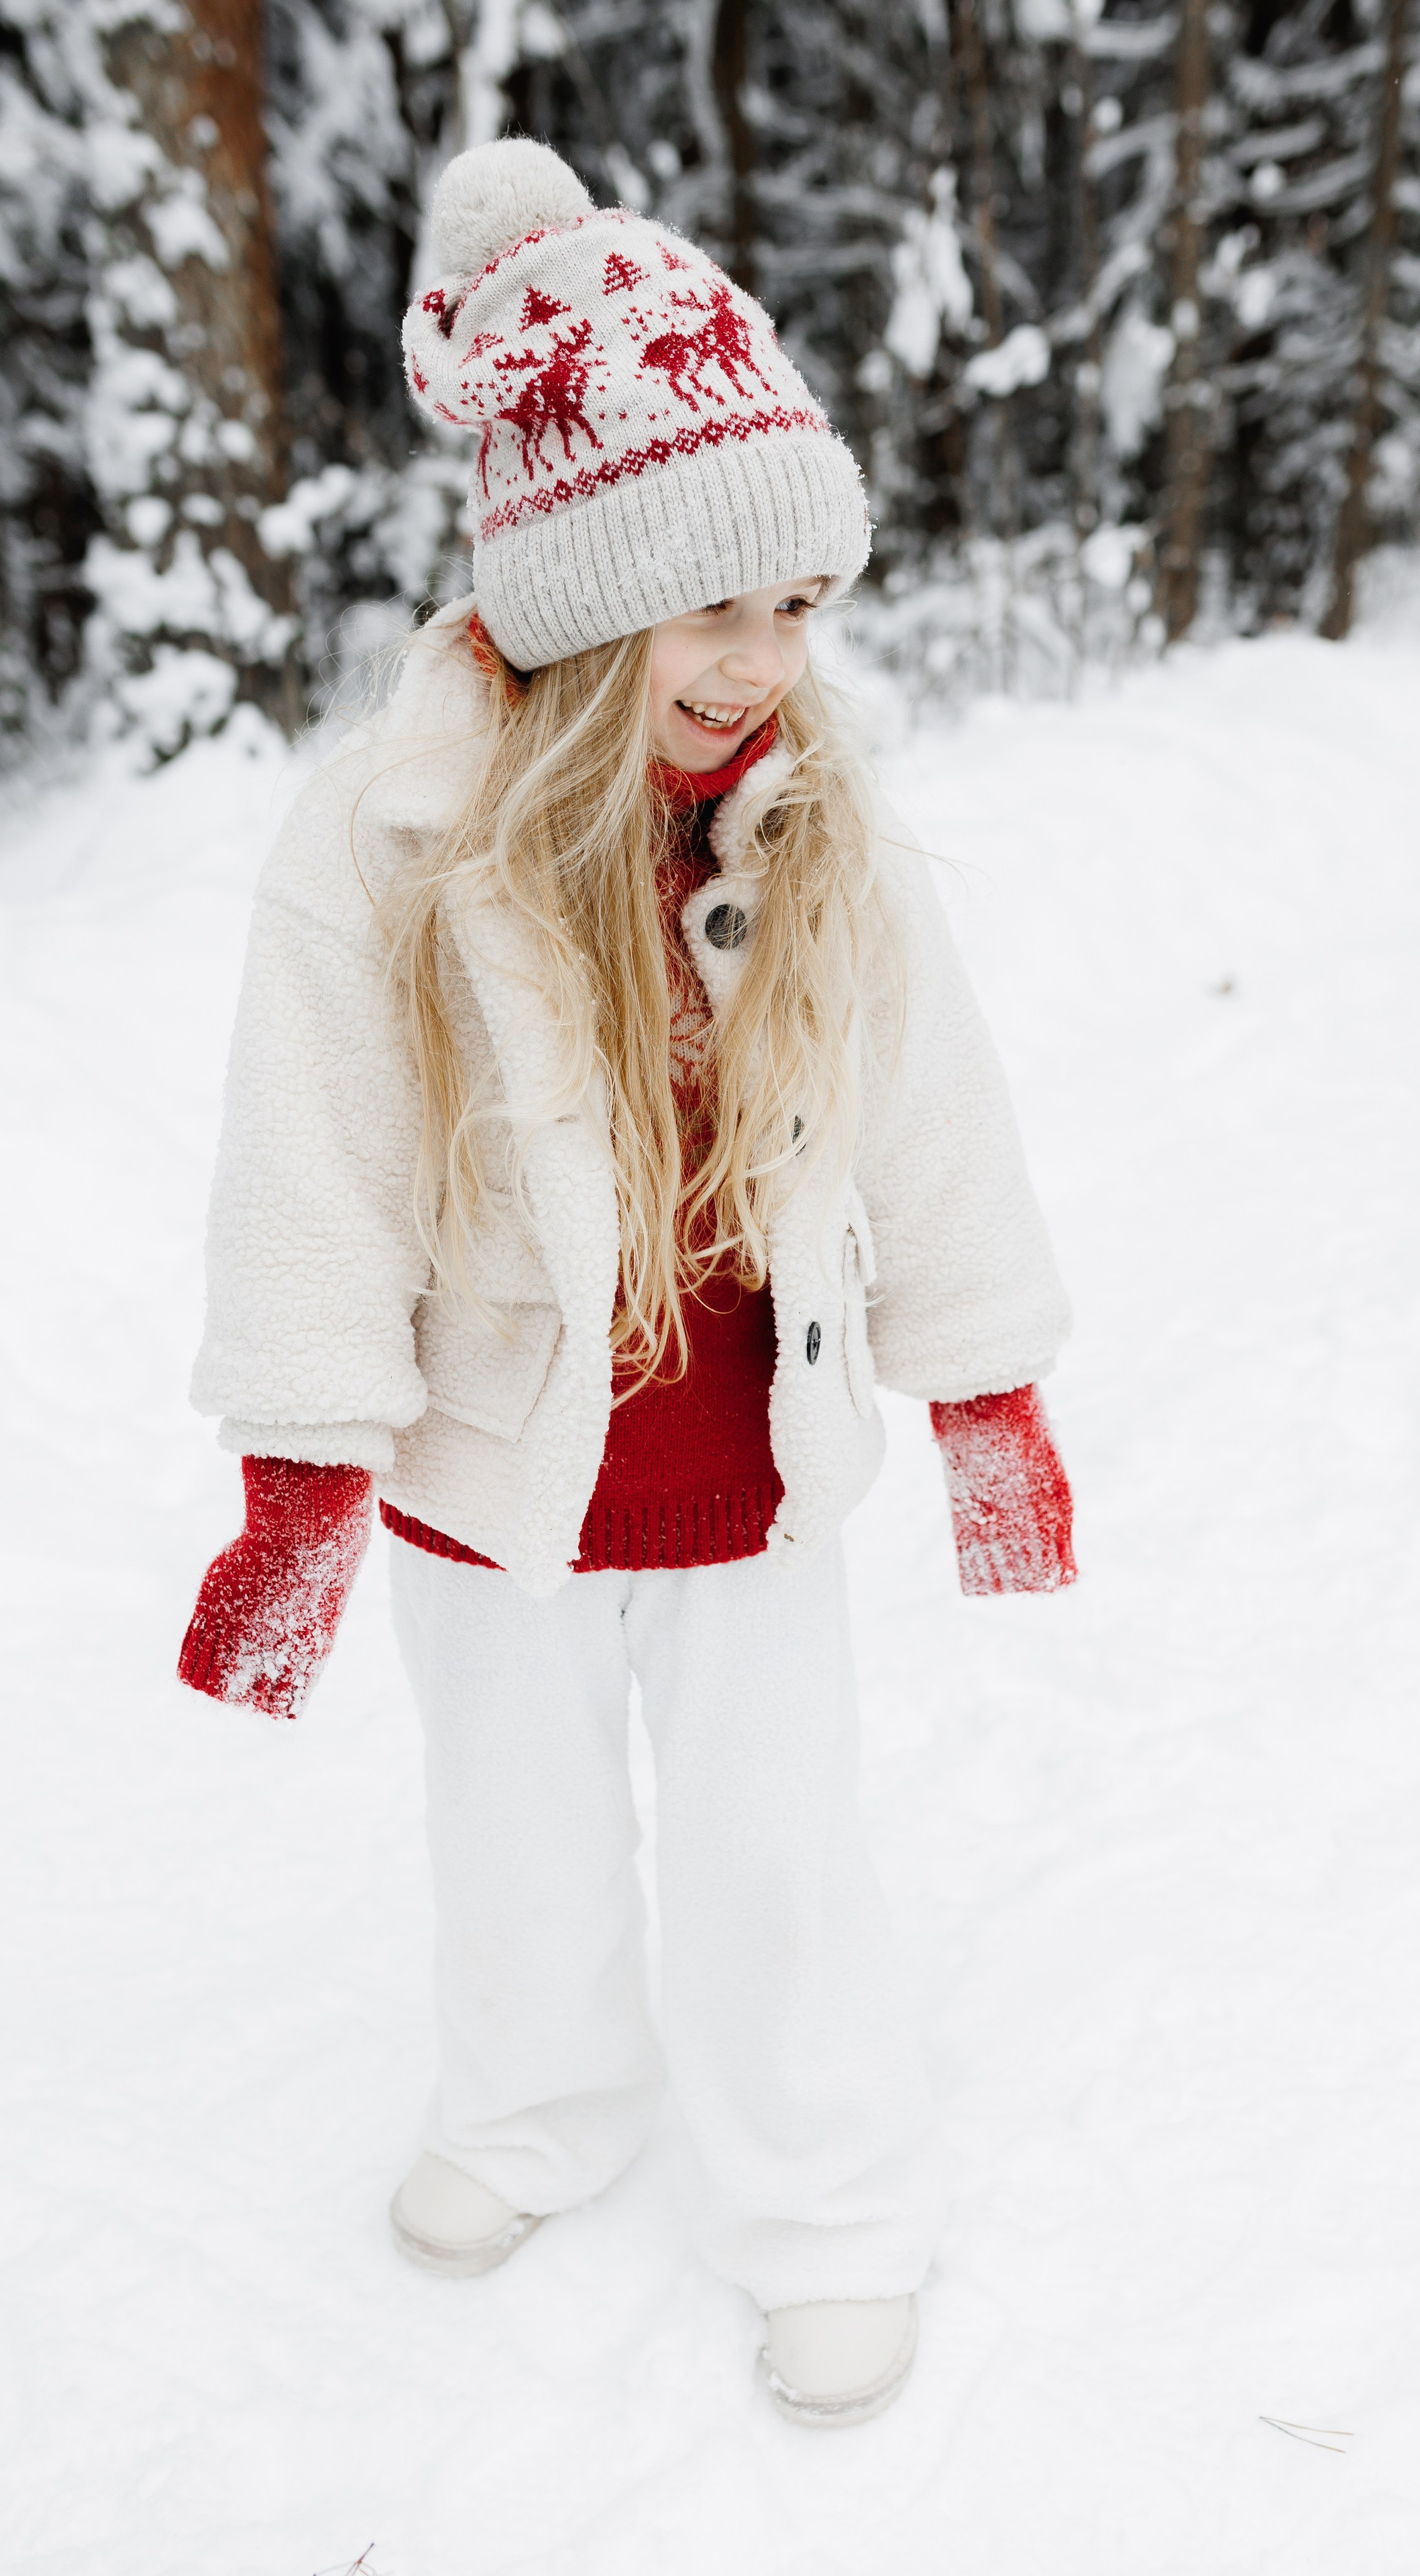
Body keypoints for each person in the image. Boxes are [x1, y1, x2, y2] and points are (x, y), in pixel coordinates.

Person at [177, 138, 1075, 2430]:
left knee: (783, 1848)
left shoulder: (821, 819)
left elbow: (932, 1103)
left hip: (753, 1458)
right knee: (518, 1826)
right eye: (720, 612)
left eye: (800, 607)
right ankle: (536, 2113)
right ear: (585, 604)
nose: (770, 665)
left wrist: (987, 1396)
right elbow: (317, 1159)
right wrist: (304, 1472)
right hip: (498, 1465)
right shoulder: (391, 831)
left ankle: (829, 2206)